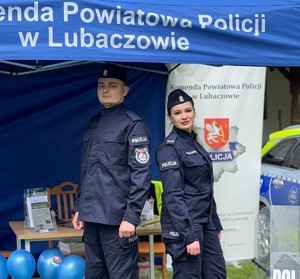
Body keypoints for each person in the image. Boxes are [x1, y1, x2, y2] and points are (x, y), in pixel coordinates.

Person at [72, 63, 152, 279]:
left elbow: (141, 175)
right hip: (92, 219)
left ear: (125, 90)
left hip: (117, 220)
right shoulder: (94, 123)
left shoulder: (133, 125)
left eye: (112, 85)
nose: (105, 89)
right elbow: (87, 171)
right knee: (94, 275)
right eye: (101, 85)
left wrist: (131, 216)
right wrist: (80, 207)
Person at [156, 89, 226, 278]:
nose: (184, 116)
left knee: (216, 273)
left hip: (205, 221)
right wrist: (188, 235)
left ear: (194, 111)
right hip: (184, 224)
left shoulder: (194, 143)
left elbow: (206, 188)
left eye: (187, 110)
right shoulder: (168, 149)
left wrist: (215, 223)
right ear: (170, 117)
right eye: (177, 113)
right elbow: (172, 195)